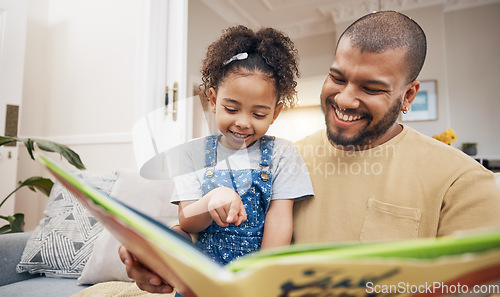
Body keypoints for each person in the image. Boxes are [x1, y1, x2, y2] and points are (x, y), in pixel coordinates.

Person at [118, 11, 500, 296]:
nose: (345, 98)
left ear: (409, 95)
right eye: (337, 77)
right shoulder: (280, 159)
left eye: (371, 87)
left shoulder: (463, 182)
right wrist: (155, 254)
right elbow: (213, 232)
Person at [169, 25, 313, 272]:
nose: (243, 122)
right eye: (232, 109)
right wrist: (211, 199)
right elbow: (187, 222)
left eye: (258, 113)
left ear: (275, 113)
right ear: (213, 101)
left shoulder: (283, 154)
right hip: (203, 276)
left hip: (253, 277)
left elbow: (279, 221)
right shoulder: (190, 154)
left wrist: (261, 278)